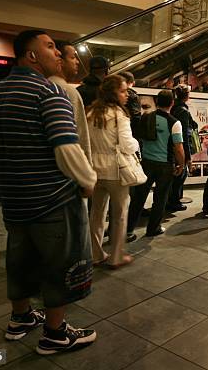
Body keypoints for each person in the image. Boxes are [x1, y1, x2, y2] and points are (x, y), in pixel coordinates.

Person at [0, 30, 97, 354]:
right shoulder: (49, 92)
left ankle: (20, 318)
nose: (58, 54)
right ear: (31, 56)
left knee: (20, 260)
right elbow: (66, 148)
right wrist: (88, 179)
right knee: (59, 265)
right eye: (50, 48)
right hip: (53, 200)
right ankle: (56, 333)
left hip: (15, 200)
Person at [87, 75, 139, 269]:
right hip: (116, 170)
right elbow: (127, 145)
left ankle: (95, 253)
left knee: (97, 213)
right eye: (123, 91)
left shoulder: (90, 112)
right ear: (113, 93)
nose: (127, 94)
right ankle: (116, 256)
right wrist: (136, 143)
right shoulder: (119, 114)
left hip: (94, 169)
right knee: (120, 213)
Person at [127, 90, 185, 237]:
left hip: (146, 163)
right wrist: (181, 164)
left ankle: (128, 229)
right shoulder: (174, 122)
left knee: (138, 198)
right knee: (160, 199)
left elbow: (139, 138)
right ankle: (153, 229)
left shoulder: (146, 117)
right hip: (165, 165)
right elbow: (178, 148)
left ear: (157, 102)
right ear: (172, 103)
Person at [49, 41, 92, 164]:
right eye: (72, 57)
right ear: (59, 61)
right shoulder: (67, 91)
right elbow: (80, 135)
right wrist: (87, 168)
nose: (77, 62)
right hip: (67, 169)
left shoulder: (42, 85)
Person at [168, 85, 198, 212]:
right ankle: (174, 202)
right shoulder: (183, 111)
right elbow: (184, 135)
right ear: (186, 95)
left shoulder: (174, 108)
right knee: (181, 174)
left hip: (171, 145)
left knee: (176, 175)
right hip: (180, 146)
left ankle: (173, 200)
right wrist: (188, 156)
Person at [119, 71, 142, 136]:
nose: (126, 95)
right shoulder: (133, 96)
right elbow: (136, 117)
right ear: (133, 82)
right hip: (129, 131)